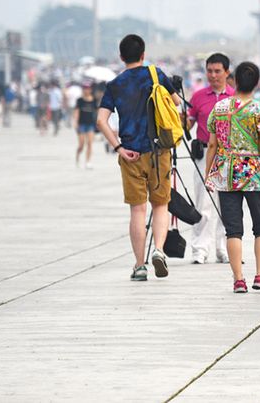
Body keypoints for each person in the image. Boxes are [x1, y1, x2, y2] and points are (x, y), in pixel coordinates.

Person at [96, 34, 180, 282]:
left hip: (130, 153)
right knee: (161, 204)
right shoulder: (155, 74)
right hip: (158, 152)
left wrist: (119, 147)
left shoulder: (115, 85)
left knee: (137, 210)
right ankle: (159, 250)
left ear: (121, 57)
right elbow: (176, 103)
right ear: (143, 54)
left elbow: (101, 121)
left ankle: (139, 265)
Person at [204, 61, 260, 293]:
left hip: (226, 174)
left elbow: (212, 144)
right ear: (256, 83)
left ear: (233, 80)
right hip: (254, 174)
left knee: (233, 229)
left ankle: (238, 280)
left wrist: (209, 175)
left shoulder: (220, 108)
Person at [186, 53, 234, 264]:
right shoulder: (197, 96)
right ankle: (200, 248)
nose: (213, 76)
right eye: (209, 71)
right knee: (203, 203)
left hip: (228, 155)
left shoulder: (234, 97)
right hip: (204, 153)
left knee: (228, 204)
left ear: (227, 72)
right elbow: (187, 124)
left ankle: (223, 247)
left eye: (217, 71)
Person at [73, 84, 97, 169]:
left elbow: (97, 111)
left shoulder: (94, 100)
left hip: (90, 124)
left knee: (90, 143)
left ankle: (88, 161)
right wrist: (75, 122)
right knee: (81, 144)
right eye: (85, 88)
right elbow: (76, 111)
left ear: (90, 89)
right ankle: (77, 157)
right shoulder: (80, 100)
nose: (87, 90)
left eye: (88, 88)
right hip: (81, 124)